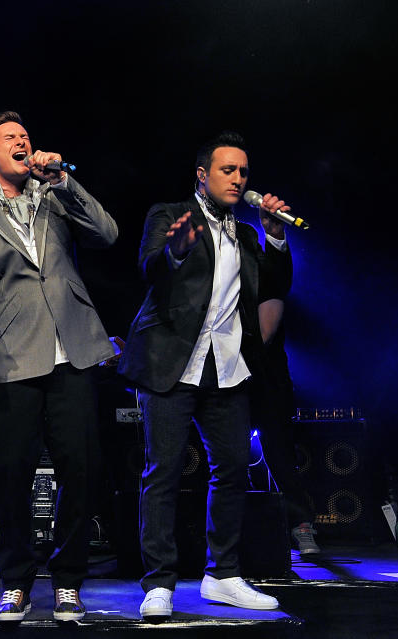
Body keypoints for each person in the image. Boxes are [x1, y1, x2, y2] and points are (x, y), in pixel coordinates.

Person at [0, 111, 118, 622]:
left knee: (81, 470)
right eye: (10, 138)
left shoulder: (55, 197)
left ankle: (68, 581)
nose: (22, 142)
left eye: (26, 136)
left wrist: (64, 180)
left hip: (73, 349)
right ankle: (16, 581)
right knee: (11, 476)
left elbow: (107, 234)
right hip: (16, 357)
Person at [119, 131, 292, 619]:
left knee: (235, 466)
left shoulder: (246, 232)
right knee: (164, 471)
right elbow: (150, 266)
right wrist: (174, 251)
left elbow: (274, 287)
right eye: (228, 170)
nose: (238, 179)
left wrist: (275, 235)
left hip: (225, 365)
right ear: (202, 174)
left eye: (243, 172)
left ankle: (224, 575)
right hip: (171, 361)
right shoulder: (169, 215)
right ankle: (159, 582)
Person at [254, 271, 321, 555]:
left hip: (267, 383)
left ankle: (301, 526)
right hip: (224, 380)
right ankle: (238, 533)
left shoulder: (265, 280)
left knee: (280, 458)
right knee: (224, 463)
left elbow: (264, 335)